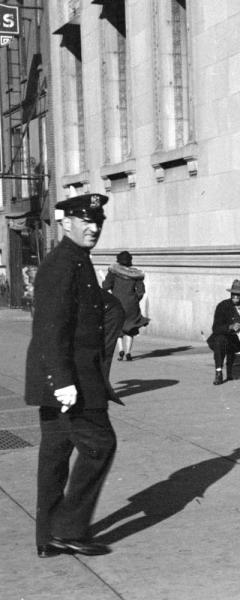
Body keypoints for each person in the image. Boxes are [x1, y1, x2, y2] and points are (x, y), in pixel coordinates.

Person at [25, 193, 119, 558]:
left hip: (62, 378)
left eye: (98, 222)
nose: (94, 228)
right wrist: (62, 381)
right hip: (71, 381)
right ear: (67, 224)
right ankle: (68, 529)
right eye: (85, 221)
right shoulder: (63, 263)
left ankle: (48, 535)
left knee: (56, 454)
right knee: (100, 445)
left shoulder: (76, 259)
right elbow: (50, 328)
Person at [206, 279, 240, 385]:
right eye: (233, 294)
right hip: (232, 341)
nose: (235, 296)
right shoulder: (223, 306)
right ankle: (218, 372)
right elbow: (216, 328)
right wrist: (230, 327)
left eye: (239, 294)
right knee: (219, 340)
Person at [102, 250, 150, 361]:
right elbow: (141, 291)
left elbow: (105, 286)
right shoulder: (136, 274)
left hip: (117, 303)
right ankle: (128, 352)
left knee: (118, 328)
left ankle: (121, 350)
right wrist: (135, 299)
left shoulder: (113, 272)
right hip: (131, 304)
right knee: (130, 328)